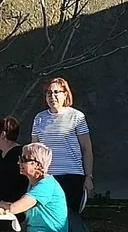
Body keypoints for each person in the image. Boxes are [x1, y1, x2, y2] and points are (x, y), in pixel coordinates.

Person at [31, 77, 94, 211]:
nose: (52, 96)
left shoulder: (77, 117)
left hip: (72, 176)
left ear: (65, 94)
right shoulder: (39, 118)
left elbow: (86, 148)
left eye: (56, 92)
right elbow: (34, 151)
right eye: (49, 93)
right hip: (47, 177)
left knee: (68, 216)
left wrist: (88, 177)